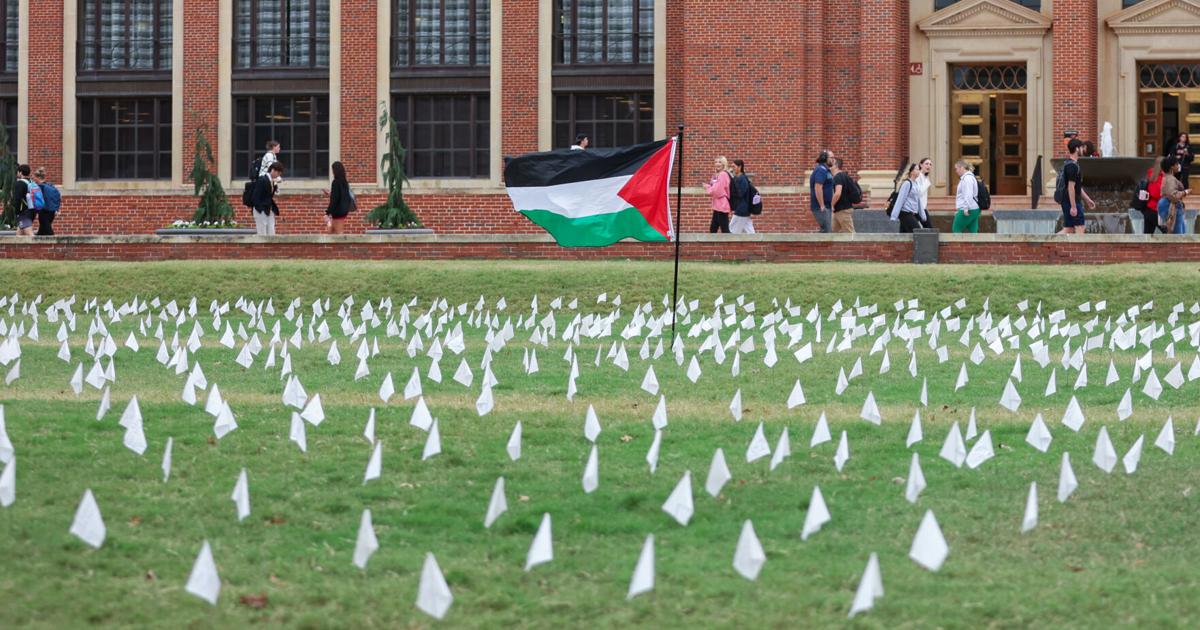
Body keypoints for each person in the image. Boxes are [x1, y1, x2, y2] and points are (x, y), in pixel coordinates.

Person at [1058, 138, 1095, 235]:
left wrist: (1087, 199)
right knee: (1080, 228)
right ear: (1077, 149)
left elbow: (1077, 186)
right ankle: (1081, 250)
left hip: (1067, 200)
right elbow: (1071, 187)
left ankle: (1047, 244)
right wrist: (1074, 207)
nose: (1083, 150)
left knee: (1068, 230)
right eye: (1082, 147)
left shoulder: (1069, 163)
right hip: (1071, 201)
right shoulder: (1072, 166)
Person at [889, 163, 928, 233]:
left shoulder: (916, 184)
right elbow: (900, 200)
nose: (919, 171)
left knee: (904, 236)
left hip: (912, 213)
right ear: (911, 172)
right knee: (918, 232)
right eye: (917, 169)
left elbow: (918, 201)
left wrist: (923, 215)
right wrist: (894, 216)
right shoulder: (907, 183)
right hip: (905, 213)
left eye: (919, 169)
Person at [1159, 156, 1191, 235]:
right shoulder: (1170, 179)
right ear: (1172, 167)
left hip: (1169, 206)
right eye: (1177, 164)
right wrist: (1185, 192)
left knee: (1179, 233)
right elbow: (1173, 195)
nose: (1178, 166)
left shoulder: (1169, 178)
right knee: (1178, 236)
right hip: (1171, 207)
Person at [250, 162, 283, 235]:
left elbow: (270, 195)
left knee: (271, 232)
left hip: (268, 209)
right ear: (273, 170)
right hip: (261, 210)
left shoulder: (272, 181)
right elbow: (255, 197)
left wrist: (275, 185)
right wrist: (260, 209)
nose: (278, 175)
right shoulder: (262, 180)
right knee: (262, 233)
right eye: (278, 173)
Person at [323, 161, 355, 234]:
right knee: (331, 232)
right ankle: (328, 222)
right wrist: (331, 193)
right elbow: (342, 195)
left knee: (338, 235)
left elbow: (334, 199)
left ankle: (328, 222)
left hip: (338, 212)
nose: (332, 172)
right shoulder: (344, 182)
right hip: (343, 210)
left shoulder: (336, 182)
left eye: (332, 170)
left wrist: (328, 212)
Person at [704, 156, 732, 233]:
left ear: (723, 164)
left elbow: (717, 190)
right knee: (713, 229)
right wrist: (709, 186)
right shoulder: (716, 175)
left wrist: (707, 188)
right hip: (717, 205)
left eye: (719, 162)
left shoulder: (723, 174)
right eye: (716, 162)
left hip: (722, 204)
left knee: (725, 230)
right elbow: (713, 186)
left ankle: (729, 244)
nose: (717, 164)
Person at [952, 160, 981, 233]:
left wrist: (965, 209)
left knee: (956, 229)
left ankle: (957, 245)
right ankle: (976, 244)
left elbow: (968, 194)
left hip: (969, 209)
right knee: (973, 232)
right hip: (974, 208)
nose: (956, 171)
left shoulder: (967, 178)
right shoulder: (970, 177)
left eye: (956, 168)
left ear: (962, 167)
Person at [809, 150, 834, 233]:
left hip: (827, 206)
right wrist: (822, 205)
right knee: (827, 232)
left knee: (826, 231)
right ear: (824, 158)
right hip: (821, 207)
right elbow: (818, 188)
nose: (833, 160)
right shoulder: (821, 170)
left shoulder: (826, 170)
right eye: (831, 158)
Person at [829, 158, 856, 233]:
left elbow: (838, 193)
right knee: (833, 233)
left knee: (851, 234)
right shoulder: (844, 176)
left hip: (843, 210)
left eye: (831, 164)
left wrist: (831, 205)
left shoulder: (838, 177)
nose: (829, 165)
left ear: (836, 166)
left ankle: (857, 245)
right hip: (839, 210)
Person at [32, 168, 61, 236]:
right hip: (52, 211)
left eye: (34, 178)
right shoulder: (50, 185)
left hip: (44, 211)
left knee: (48, 230)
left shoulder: (40, 187)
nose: (33, 180)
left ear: (38, 177)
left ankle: (56, 244)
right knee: (42, 230)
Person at [729, 159, 755, 234]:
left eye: (734, 167)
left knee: (732, 231)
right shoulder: (739, 178)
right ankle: (759, 244)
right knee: (750, 232)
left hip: (741, 209)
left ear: (739, 167)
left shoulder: (742, 179)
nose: (732, 169)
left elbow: (740, 194)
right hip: (744, 210)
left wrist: (733, 180)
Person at [1143, 157, 1164, 234]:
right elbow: (1155, 193)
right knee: (1169, 233)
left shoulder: (1157, 175)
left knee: (1147, 236)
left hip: (1151, 209)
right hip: (1154, 210)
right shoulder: (1156, 177)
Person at [11, 164, 33, 236]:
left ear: (20, 172)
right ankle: (16, 247)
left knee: (29, 234)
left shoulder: (20, 183)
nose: (17, 173)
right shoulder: (30, 182)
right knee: (19, 233)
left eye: (17, 172)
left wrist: (17, 212)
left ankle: (40, 246)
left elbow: (17, 199)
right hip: (31, 210)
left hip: (23, 211)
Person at [915, 158, 934, 228]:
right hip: (918, 208)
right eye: (926, 164)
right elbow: (919, 193)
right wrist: (927, 183)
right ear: (921, 165)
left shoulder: (924, 177)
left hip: (922, 207)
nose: (928, 166)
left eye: (930, 164)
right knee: (929, 228)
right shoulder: (918, 176)